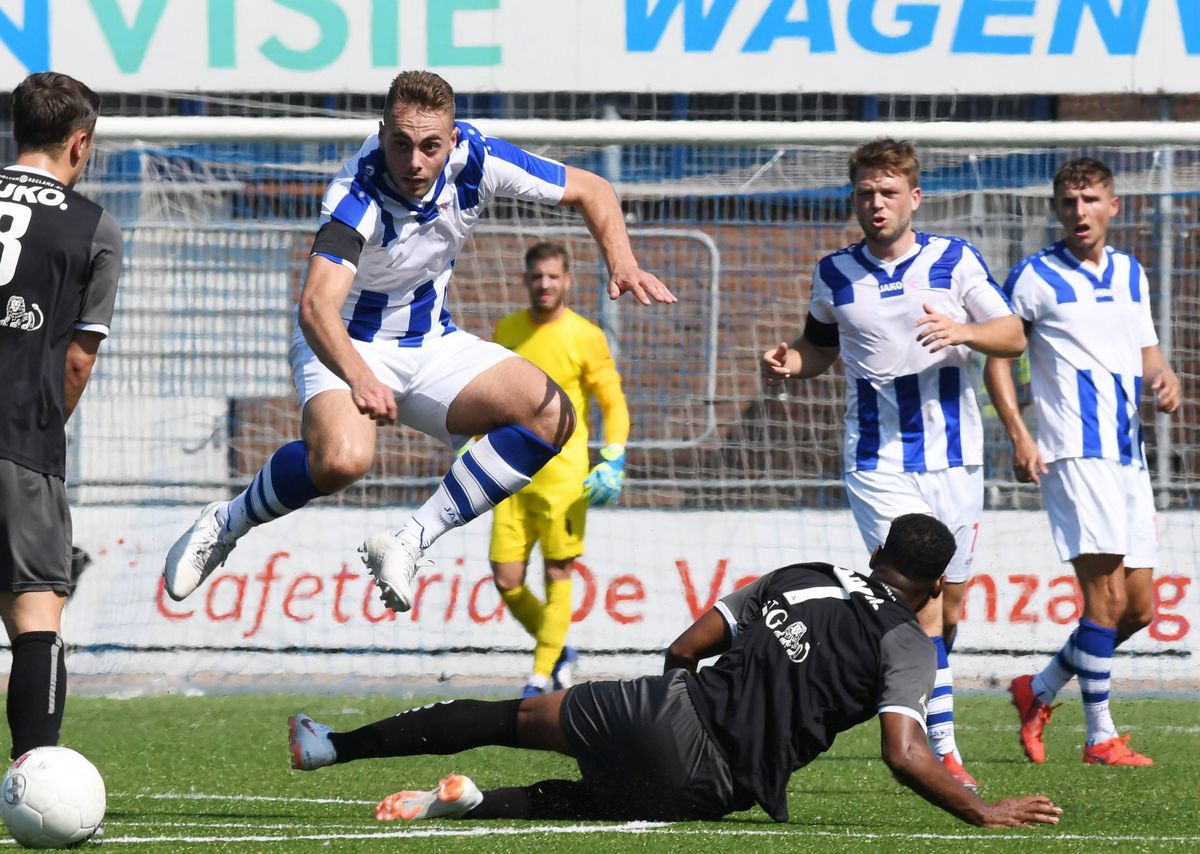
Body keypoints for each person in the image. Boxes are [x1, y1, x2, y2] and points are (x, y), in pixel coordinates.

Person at [161, 71, 673, 612]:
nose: (413, 162)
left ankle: (409, 541)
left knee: (553, 416)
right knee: (343, 460)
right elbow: (315, 307)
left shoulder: (477, 158)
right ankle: (225, 522)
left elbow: (592, 188)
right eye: (400, 144)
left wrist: (623, 262)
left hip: (430, 342)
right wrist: (361, 378)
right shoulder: (355, 195)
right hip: (345, 343)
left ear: (451, 140)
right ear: (381, 134)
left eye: (430, 146)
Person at [287, 514, 1062, 828]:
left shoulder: (802, 572)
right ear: (932, 585)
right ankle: (475, 804)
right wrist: (981, 810)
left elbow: (688, 644)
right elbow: (904, 753)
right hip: (714, 783)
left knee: (507, 718)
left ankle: (333, 748)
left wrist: (669, 698)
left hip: (662, 708)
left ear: (874, 554)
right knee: (592, 805)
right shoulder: (910, 647)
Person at [759, 138, 1025, 790]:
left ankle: (928, 697)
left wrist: (963, 331)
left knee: (951, 606)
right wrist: (791, 361)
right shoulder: (834, 273)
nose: (875, 205)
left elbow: (1013, 335)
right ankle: (944, 747)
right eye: (864, 194)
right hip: (876, 461)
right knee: (920, 601)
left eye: (887, 193)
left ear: (914, 197)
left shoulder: (954, 260)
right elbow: (819, 348)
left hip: (953, 460)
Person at [984, 157, 1180, 767]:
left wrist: (1165, 376)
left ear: (1112, 206)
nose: (1079, 212)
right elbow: (997, 357)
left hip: (1128, 454)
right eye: (1068, 203)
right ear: (1056, 209)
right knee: (1103, 600)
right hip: (1073, 452)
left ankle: (1036, 689)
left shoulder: (1130, 272)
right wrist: (1020, 433)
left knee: (1140, 609)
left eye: (1090, 200)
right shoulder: (1034, 276)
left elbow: (1146, 350)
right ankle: (1100, 736)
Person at [0, 72, 122, 758]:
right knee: (36, 614)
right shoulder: (94, 228)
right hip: (20, 441)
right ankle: (34, 773)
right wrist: (45, 430)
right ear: (80, 143)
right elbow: (77, 360)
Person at [489, 241, 630, 697]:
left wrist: (614, 454)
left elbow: (612, 400)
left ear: (567, 280)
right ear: (526, 280)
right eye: (537, 276)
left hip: (564, 481)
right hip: (509, 474)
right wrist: (471, 447)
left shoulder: (584, 335)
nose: (545, 284)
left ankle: (539, 675)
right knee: (507, 580)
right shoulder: (507, 330)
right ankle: (559, 651)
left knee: (557, 573)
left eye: (553, 276)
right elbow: (491, 399)